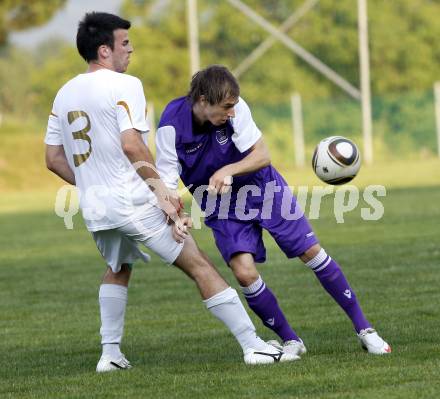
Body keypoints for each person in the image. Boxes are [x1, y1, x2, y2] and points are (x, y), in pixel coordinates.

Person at [44, 13, 298, 372]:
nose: (130, 49)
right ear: (104, 50)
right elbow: (133, 145)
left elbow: (53, 159)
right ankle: (253, 345)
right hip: (133, 201)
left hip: (96, 207)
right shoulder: (125, 84)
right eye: (124, 43)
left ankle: (110, 355)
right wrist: (163, 194)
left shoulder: (63, 93)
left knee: (118, 267)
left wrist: (90, 184)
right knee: (199, 265)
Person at [155, 65, 391, 356]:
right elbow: (165, 183)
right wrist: (176, 217)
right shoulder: (170, 126)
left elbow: (262, 155)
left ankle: (365, 329)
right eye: (225, 107)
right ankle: (291, 339)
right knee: (243, 272)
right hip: (220, 203)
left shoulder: (236, 107)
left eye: (233, 106)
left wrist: (229, 169)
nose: (231, 111)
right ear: (203, 100)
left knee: (310, 252)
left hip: (262, 188)